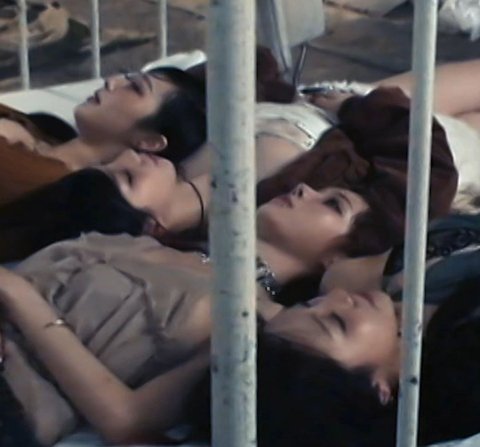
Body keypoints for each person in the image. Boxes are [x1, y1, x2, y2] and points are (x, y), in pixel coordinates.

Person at [0, 172, 383, 445]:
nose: (304, 188)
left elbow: (129, 421)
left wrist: (20, 296)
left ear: (336, 258)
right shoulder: (163, 239)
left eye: (332, 204)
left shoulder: (268, 326)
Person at [0, 85, 458, 263]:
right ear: (151, 226)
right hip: (399, 128)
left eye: (114, 162)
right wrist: (359, 107)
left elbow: (247, 64)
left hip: (338, 104)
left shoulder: (184, 149)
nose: (129, 157)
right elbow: (423, 180)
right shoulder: (280, 210)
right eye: (128, 178)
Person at [0, 66, 207, 206]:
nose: (111, 82)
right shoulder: (45, 131)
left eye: (135, 88)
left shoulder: (52, 185)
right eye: (125, 77)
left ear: (150, 141)